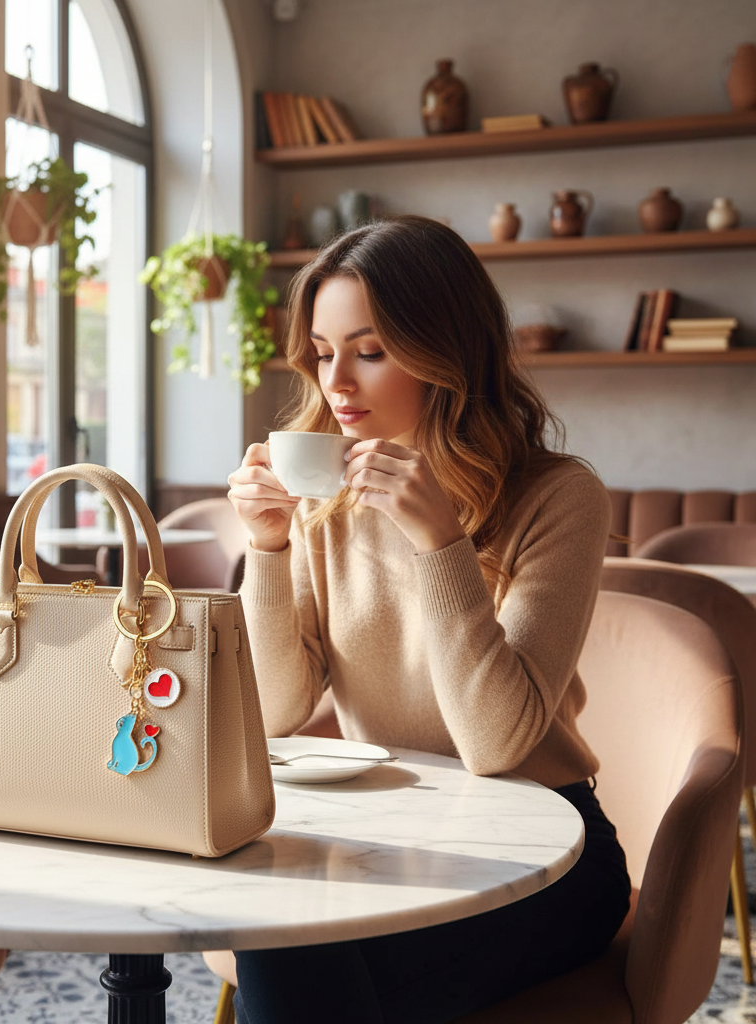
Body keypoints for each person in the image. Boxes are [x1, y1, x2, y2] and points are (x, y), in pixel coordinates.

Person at [226, 216, 631, 1024]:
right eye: (323, 352)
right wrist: (267, 550)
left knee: (298, 956)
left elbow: (496, 743)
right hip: (393, 834)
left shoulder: (559, 497)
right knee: (280, 931)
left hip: (544, 850)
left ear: (446, 352)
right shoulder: (325, 502)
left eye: (370, 351)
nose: (337, 382)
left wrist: (441, 544)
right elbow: (271, 713)